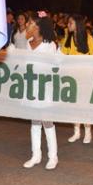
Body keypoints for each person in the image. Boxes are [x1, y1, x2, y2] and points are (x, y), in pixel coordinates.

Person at [15, 13, 59, 170]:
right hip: (31, 87)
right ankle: (36, 155)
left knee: (47, 121)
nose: (27, 25)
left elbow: (56, 66)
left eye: (31, 23)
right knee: (34, 122)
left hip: (44, 88)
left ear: (39, 27)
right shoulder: (28, 42)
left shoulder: (50, 45)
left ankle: (53, 156)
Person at [61, 14, 93, 143]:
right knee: (74, 105)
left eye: (71, 23)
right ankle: (76, 131)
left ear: (78, 24)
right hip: (71, 77)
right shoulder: (68, 38)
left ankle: (88, 132)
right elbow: (62, 54)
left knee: (84, 105)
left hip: (85, 77)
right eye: (68, 23)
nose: (68, 25)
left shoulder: (88, 38)